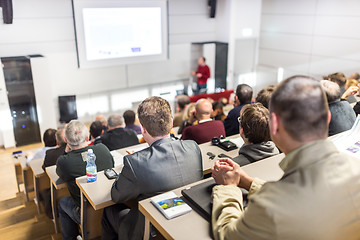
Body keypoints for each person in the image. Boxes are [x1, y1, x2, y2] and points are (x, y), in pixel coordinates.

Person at [211, 75, 360, 240]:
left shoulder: (269, 207)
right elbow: (305, 199)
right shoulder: (355, 168)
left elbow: (228, 235)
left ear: (273, 125)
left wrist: (228, 187)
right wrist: (248, 182)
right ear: (327, 118)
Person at [101, 96, 203, 240]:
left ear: (143, 129)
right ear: (171, 123)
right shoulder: (193, 147)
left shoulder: (135, 163)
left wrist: (130, 168)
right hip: (189, 221)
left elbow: (116, 195)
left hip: (150, 230)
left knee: (109, 210)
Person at [56, 120, 114, 240]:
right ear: (88, 137)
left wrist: (65, 151)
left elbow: (60, 174)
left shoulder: (64, 162)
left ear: (66, 141)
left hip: (85, 214)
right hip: (110, 207)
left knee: (62, 203)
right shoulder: (102, 149)